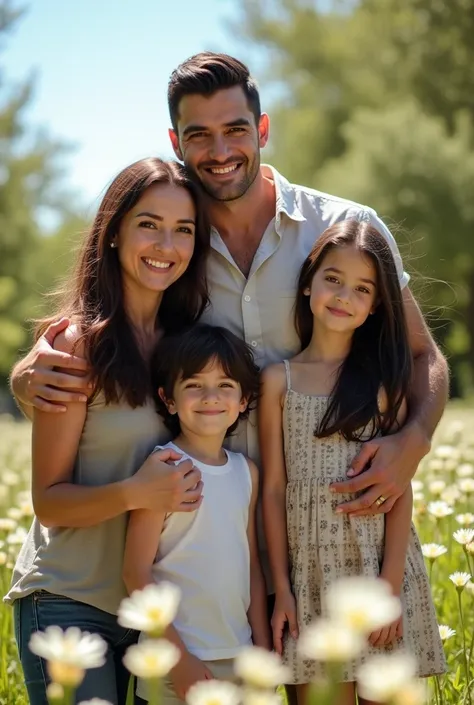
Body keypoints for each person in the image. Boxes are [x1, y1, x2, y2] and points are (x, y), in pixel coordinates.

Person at [10, 52, 448, 617]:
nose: (219, 152)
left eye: (236, 130)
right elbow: (111, 327)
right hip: (206, 541)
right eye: (200, 136)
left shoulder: (340, 229)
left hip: (335, 519)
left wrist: (414, 440)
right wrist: (28, 376)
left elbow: (421, 354)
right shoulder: (173, 248)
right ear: (176, 143)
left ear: (261, 129)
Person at [4, 158, 211, 705]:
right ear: (114, 232)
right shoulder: (77, 345)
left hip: (154, 613)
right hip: (68, 604)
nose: (166, 244)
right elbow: (48, 502)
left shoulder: (185, 346)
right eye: (149, 223)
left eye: (183, 229)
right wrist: (135, 493)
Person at [259, 220, 446, 705]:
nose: (344, 296)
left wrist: (388, 590)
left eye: (362, 288)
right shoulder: (277, 381)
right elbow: (274, 491)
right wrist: (281, 587)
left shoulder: (386, 382)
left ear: (377, 304)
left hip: (380, 572)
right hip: (310, 579)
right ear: (308, 283)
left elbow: (399, 489)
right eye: (333, 279)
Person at [123, 324, 270, 704]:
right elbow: (135, 572)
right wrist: (179, 660)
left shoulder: (246, 471)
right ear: (168, 399)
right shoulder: (163, 467)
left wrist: (262, 650)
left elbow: (251, 564)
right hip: (173, 661)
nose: (210, 397)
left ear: (243, 400)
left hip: (239, 656)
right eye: (193, 385)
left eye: (225, 385)